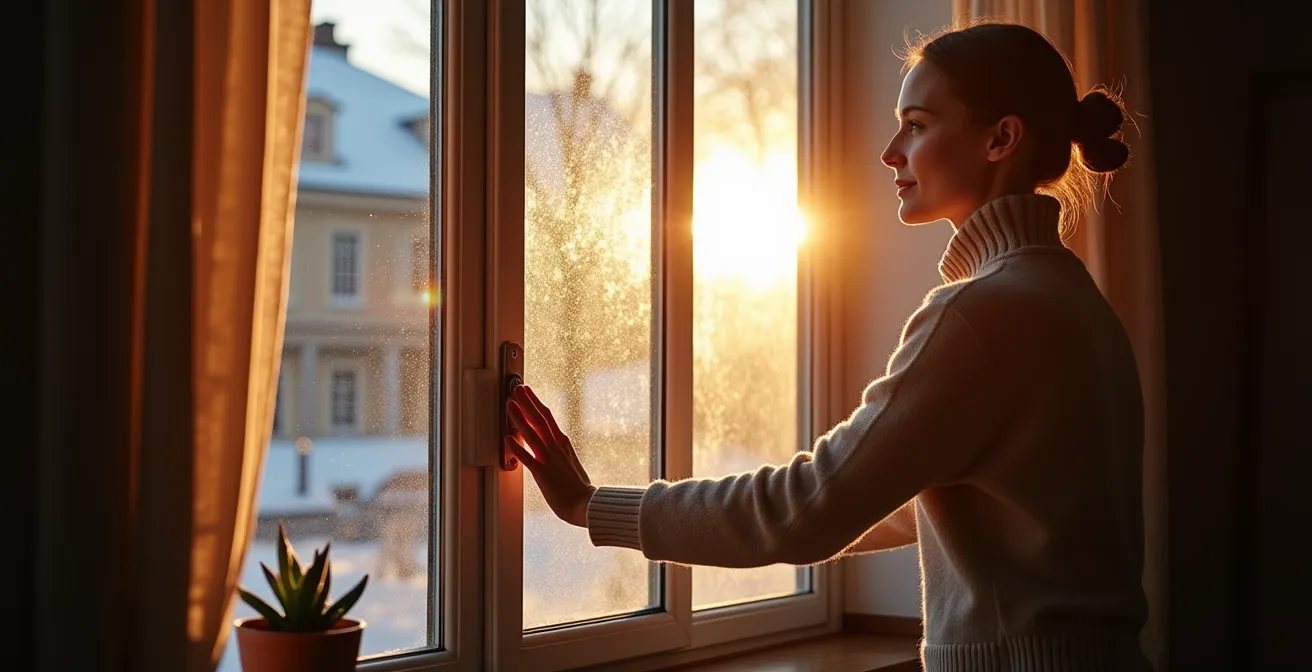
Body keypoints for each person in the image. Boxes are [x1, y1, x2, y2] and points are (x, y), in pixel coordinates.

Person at [505, 20, 1150, 672]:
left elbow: (806, 507)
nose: (891, 151)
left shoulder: (984, 312)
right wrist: (835, 504)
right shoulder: (1071, 298)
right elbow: (908, 502)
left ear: (1000, 138)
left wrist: (592, 506)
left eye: (918, 124)